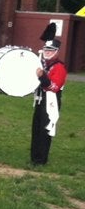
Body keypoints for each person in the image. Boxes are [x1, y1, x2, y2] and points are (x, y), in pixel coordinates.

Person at [30, 22, 68, 166]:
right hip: (40, 100)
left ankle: (41, 160)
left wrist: (42, 76)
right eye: (46, 49)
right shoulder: (42, 64)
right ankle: (34, 157)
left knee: (45, 129)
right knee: (36, 128)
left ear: (57, 51)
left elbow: (53, 86)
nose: (47, 52)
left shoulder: (59, 67)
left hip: (51, 100)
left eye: (51, 50)